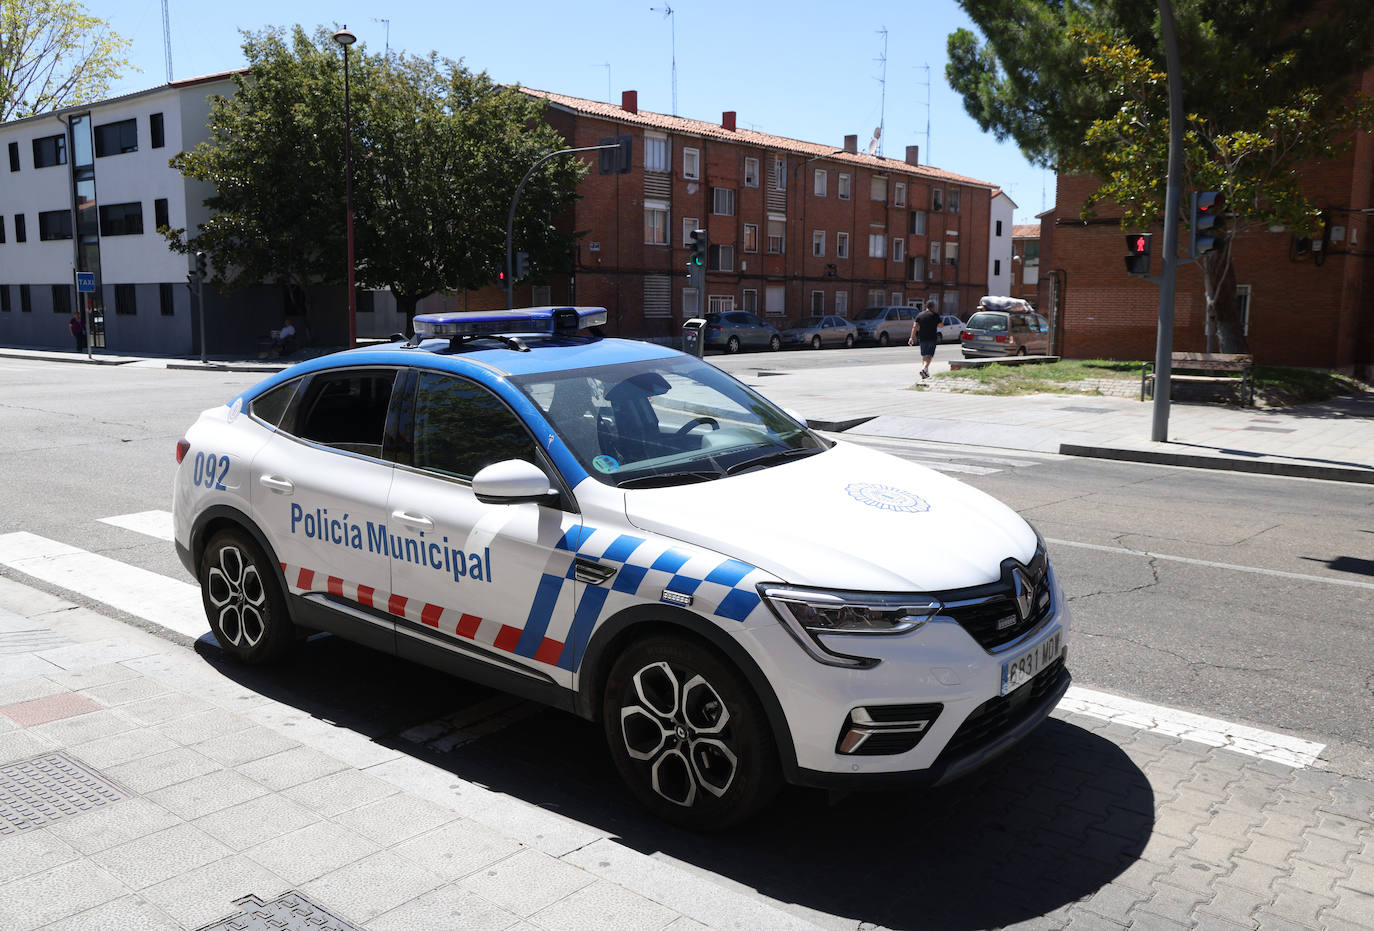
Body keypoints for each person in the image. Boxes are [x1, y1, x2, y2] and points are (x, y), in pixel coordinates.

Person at [909, 300, 941, 380]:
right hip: (932, 338)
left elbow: (915, 327)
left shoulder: (920, 315)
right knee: (929, 355)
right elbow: (941, 325)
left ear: (926, 306)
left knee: (924, 355)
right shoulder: (935, 315)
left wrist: (911, 338)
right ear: (933, 307)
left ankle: (925, 372)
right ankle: (924, 369)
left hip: (922, 338)